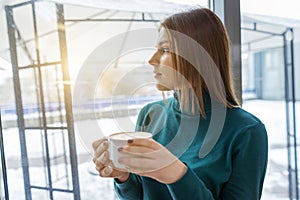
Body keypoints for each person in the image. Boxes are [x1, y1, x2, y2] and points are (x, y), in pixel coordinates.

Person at [92, 8, 268, 200]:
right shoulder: (150, 114)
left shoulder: (247, 131)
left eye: (165, 50)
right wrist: (123, 178)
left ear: (197, 57)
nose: (152, 60)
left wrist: (176, 175)